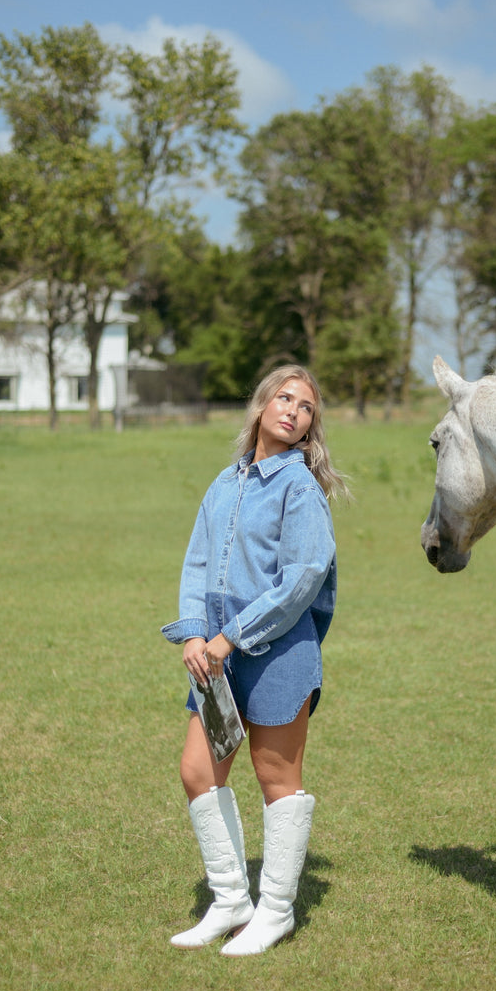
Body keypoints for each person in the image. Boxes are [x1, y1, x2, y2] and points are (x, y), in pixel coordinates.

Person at [161, 364, 349, 956]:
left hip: (277, 654)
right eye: (285, 398)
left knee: (276, 781)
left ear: (310, 427)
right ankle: (229, 901)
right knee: (199, 770)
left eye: (307, 407)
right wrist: (195, 634)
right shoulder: (225, 482)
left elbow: (302, 580)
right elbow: (196, 563)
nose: (294, 410)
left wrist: (231, 635)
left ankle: (276, 911)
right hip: (214, 658)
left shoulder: (299, 487)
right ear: (262, 405)